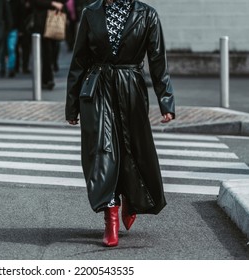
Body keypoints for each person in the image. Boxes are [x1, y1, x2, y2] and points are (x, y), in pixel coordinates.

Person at [65, 0, 175, 247]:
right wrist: (72, 105)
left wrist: (166, 101)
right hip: (98, 87)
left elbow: (158, 60)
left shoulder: (147, 14)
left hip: (131, 88)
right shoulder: (91, 13)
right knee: (103, 152)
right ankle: (110, 219)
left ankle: (131, 199)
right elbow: (79, 61)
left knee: (130, 149)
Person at [32, 0, 67, 90]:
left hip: (54, 21)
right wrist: (52, 3)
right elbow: (37, 3)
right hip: (42, 24)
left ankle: (47, 78)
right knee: (46, 53)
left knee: (52, 52)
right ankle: (47, 79)